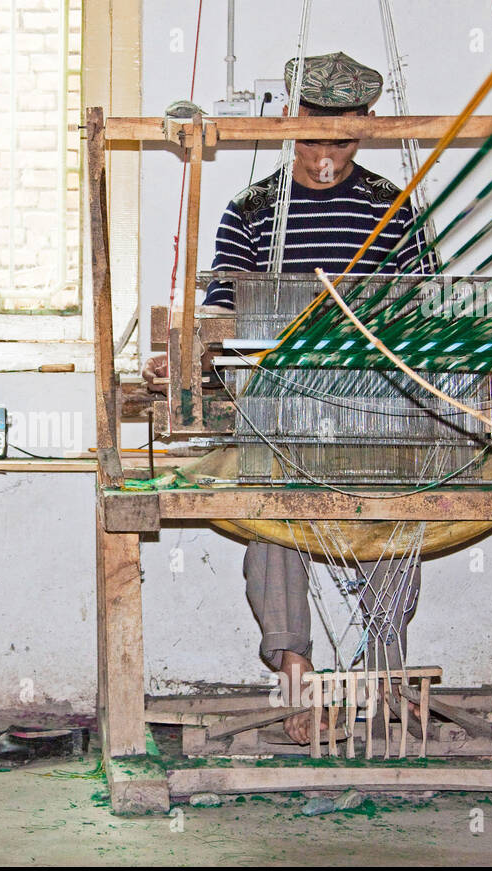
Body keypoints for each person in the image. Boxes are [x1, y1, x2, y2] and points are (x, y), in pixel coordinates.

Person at [144, 53, 435, 745]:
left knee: (408, 503)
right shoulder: (250, 211)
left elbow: (427, 315)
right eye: (313, 139)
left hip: (373, 411)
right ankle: (299, 678)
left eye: (343, 141)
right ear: (289, 128)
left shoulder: (395, 209)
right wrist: (185, 359)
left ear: (365, 133)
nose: (326, 156)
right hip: (278, 413)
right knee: (272, 512)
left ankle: (385, 672)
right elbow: (219, 318)